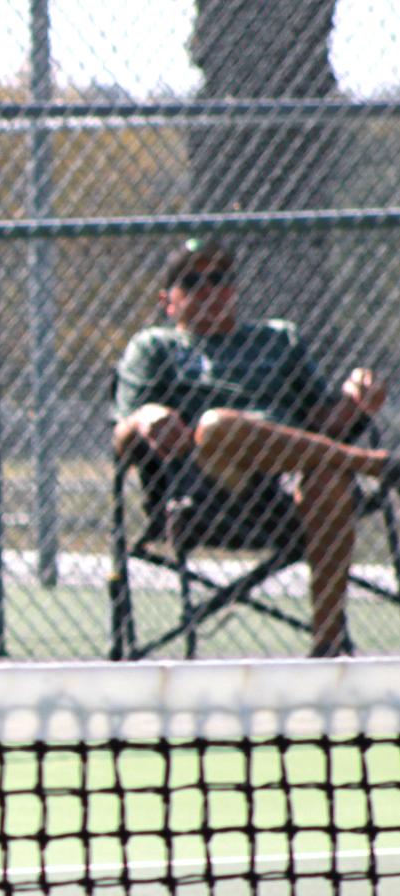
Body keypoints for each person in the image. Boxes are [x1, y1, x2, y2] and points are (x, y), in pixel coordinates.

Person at [113, 237, 400, 658]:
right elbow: (121, 437)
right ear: (168, 300)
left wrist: (357, 402)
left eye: (221, 280)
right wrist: (146, 418)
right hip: (208, 490)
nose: (211, 291)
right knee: (216, 426)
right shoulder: (154, 347)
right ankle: (375, 465)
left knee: (328, 479)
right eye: (193, 282)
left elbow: (325, 422)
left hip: (285, 488)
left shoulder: (278, 338)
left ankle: (327, 643)